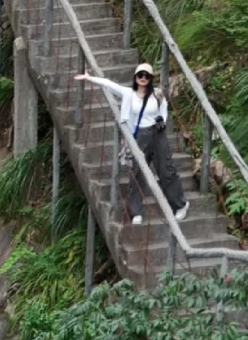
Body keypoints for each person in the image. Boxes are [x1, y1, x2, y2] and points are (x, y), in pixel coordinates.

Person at [75, 62, 189, 226]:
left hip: (157, 134)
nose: (143, 78)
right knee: (137, 173)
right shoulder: (128, 93)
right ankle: (136, 212)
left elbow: (163, 108)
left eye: (147, 76)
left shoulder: (157, 94)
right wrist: (89, 78)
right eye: (140, 75)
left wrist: (162, 120)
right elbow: (109, 83)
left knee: (166, 169)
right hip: (139, 136)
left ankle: (180, 205)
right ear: (135, 77)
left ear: (151, 78)